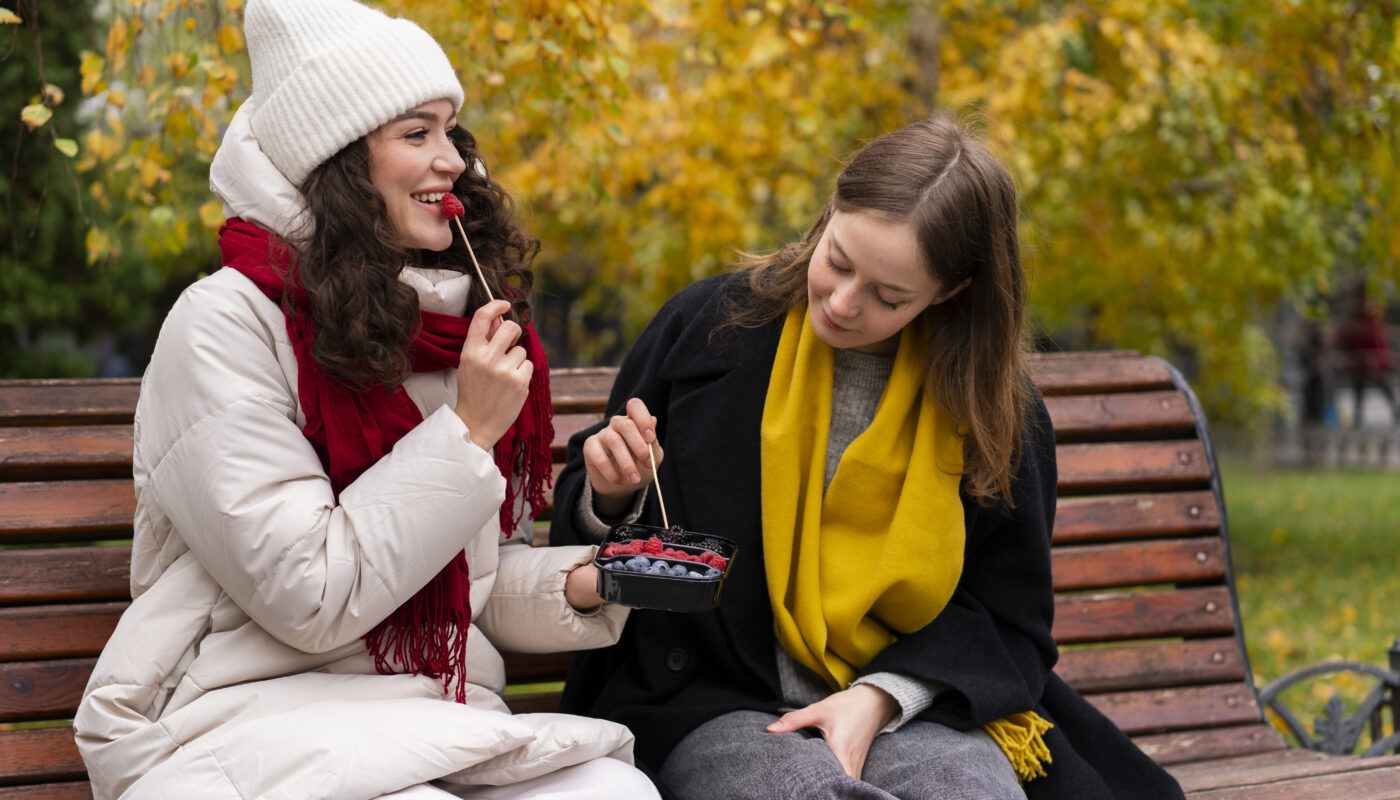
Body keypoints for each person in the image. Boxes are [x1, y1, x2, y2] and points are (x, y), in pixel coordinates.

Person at [73, 1, 660, 798]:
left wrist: (599, 577)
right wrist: (466, 431)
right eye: (416, 134)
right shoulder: (221, 325)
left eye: (451, 131)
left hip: (429, 712)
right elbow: (308, 594)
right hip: (245, 716)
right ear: (340, 162)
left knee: (614, 792)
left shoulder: (446, 325)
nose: (452, 159)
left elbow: (468, 583)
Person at [550, 116, 1186, 800]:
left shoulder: (995, 412)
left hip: (913, 704)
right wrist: (611, 494)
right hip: (709, 700)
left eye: (889, 296)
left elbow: (1008, 620)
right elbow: (588, 556)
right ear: (830, 212)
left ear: (952, 292)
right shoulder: (707, 329)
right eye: (839, 261)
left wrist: (879, 699)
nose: (844, 302)